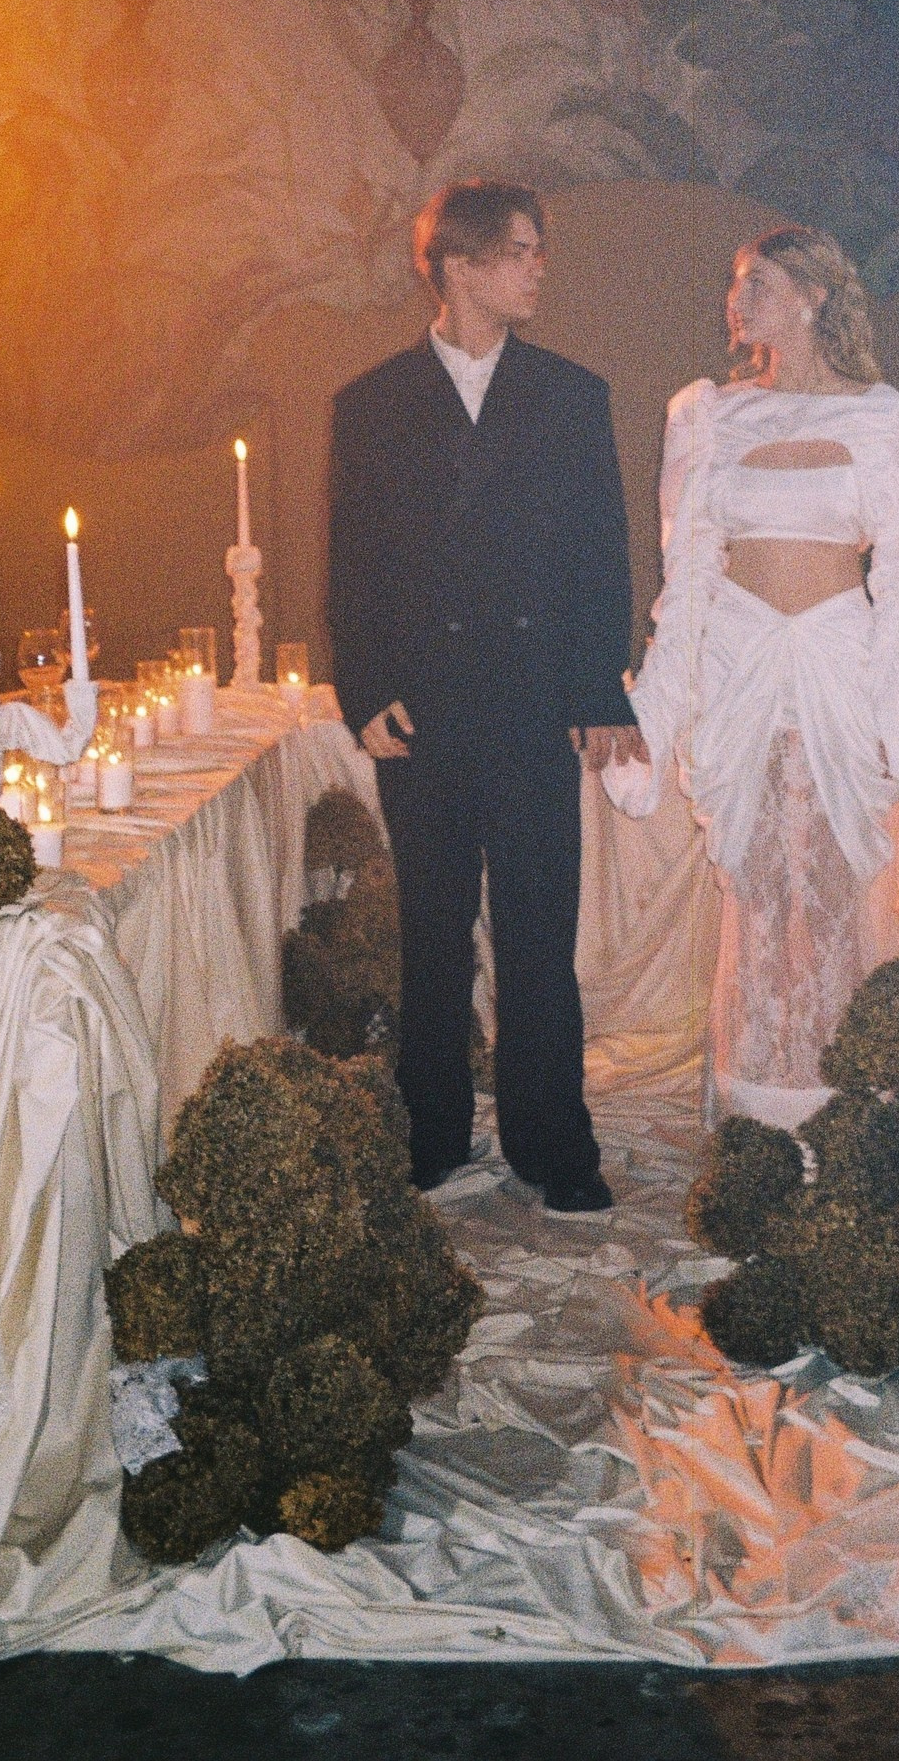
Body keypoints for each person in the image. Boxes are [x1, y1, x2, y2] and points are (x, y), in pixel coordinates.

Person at [603, 226, 899, 1128]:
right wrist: (656, 705)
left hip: (836, 659)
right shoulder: (711, 415)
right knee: (761, 885)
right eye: (735, 284)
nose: (736, 301)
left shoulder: (886, 416)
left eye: (756, 283)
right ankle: (761, 1108)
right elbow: (688, 574)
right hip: (739, 662)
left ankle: (846, 1109)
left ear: (811, 296)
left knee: (836, 884)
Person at [326, 182, 645, 1210]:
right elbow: (354, 568)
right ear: (459, 267)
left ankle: (552, 1144)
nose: (539, 267)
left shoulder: (571, 394)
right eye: (520, 251)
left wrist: (598, 688)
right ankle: (428, 1133)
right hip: (423, 709)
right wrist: (364, 689)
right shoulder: (370, 402)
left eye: (539, 249)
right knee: (431, 932)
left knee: (539, 933)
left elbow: (602, 554)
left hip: (533, 703)